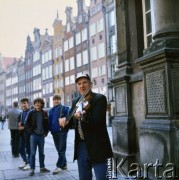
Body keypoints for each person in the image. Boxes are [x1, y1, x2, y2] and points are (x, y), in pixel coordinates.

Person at [59, 74, 113, 180]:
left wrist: (83, 116)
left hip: (97, 145)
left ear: (91, 84)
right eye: (79, 83)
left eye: (84, 82)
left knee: (102, 177)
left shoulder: (99, 98)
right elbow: (71, 121)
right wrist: (64, 121)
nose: (81, 86)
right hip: (81, 146)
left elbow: (97, 121)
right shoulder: (76, 101)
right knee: (84, 177)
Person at [25, 98, 50, 176]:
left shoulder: (44, 113)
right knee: (33, 153)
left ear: (42, 104)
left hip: (41, 136)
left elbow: (47, 123)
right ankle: (32, 169)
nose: (37, 104)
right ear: (34, 104)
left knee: (41, 153)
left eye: (39, 103)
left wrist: (46, 132)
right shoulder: (31, 113)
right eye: (36, 103)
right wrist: (31, 132)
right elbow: (26, 123)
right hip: (34, 136)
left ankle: (42, 168)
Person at [48, 95, 70, 175]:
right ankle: (64, 164)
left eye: (58, 100)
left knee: (61, 149)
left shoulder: (65, 108)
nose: (56, 101)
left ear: (60, 100)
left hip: (62, 131)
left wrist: (64, 120)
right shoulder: (51, 110)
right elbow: (49, 120)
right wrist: (49, 129)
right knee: (59, 149)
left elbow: (69, 117)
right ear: (53, 101)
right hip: (54, 132)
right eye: (55, 100)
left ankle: (59, 166)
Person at [18, 98, 31, 171]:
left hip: (28, 133)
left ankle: (29, 163)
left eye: (25, 103)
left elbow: (32, 124)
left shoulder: (31, 112)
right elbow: (19, 122)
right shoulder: (21, 113)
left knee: (28, 149)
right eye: (22, 103)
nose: (24, 105)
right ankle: (25, 161)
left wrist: (24, 127)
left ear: (28, 104)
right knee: (20, 148)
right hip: (22, 134)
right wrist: (19, 125)